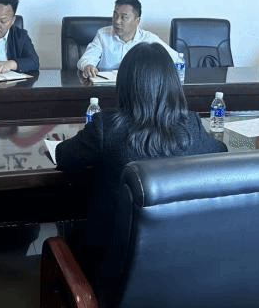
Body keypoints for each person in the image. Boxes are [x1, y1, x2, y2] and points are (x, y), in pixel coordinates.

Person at [57, 42, 227, 276]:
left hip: (111, 268)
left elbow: (63, 155)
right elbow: (220, 151)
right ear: (172, 83)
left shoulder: (106, 125)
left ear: (125, 84)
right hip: (179, 266)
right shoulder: (192, 125)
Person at [77, 0, 179, 78]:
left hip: (137, 89)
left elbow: (176, 59)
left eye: (124, 17)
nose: (117, 21)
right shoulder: (103, 35)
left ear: (137, 21)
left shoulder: (148, 39)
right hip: (106, 89)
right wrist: (88, 66)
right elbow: (87, 58)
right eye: (115, 15)